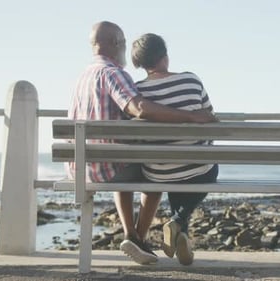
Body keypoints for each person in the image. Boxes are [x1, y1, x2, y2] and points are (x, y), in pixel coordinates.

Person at [66, 21, 217, 266]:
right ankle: (146, 233)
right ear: (116, 43)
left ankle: (139, 236)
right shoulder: (113, 74)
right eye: (123, 42)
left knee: (151, 165)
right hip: (109, 167)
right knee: (157, 173)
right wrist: (191, 116)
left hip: (81, 167)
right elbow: (139, 108)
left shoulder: (82, 77)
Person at [131, 33, 218, 266]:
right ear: (165, 57)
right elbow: (209, 115)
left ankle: (183, 239)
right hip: (197, 168)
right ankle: (178, 222)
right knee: (206, 169)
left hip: (157, 172)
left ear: (140, 63)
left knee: (173, 172)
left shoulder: (138, 92)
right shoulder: (191, 80)